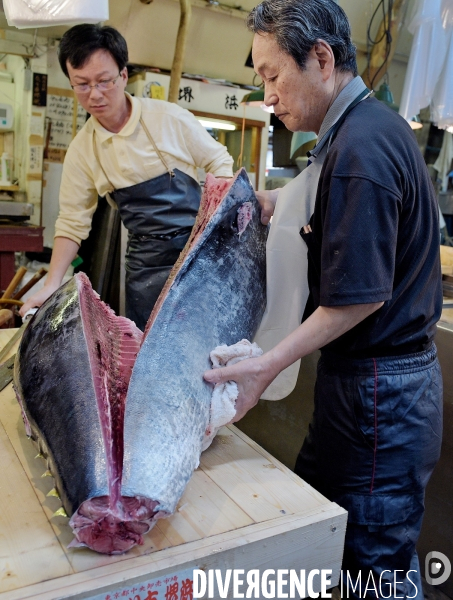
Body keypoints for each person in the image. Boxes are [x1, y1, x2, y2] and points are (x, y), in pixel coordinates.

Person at [204, 0, 443, 597]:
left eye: (271, 76)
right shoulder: (350, 131)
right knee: (317, 528)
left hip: (382, 399)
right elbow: (314, 197)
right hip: (361, 388)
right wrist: (269, 203)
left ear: (321, 58)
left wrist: (265, 364)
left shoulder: (362, 146)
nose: (268, 98)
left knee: (374, 565)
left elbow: (356, 300)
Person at [20, 24, 233, 330]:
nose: (94, 94)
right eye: (81, 84)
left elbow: (219, 161)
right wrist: (53, 281)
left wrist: (219, 224)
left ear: (123, 76)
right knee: (146, 350)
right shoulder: (82, 150)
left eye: (104, 81)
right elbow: (71, 221)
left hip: (197, 253)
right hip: (144, 265)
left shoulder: (168, 118)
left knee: (204, 342)